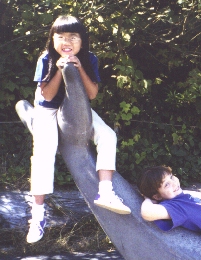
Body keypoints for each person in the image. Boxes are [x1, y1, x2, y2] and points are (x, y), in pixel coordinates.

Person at [27, 15, 131, 244]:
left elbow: (92, 93)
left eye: (73, 37)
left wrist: (78, 67)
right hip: (48, 108)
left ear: (82, 41)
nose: (67, 41)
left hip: (76, 107)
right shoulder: (46, 58)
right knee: (44, 152)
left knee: (108, 135)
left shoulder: (89, 58)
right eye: (61, 36)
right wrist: (60, 70)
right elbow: (47, 95)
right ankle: (38, 215)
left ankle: (105, 190)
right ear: (52, 40)